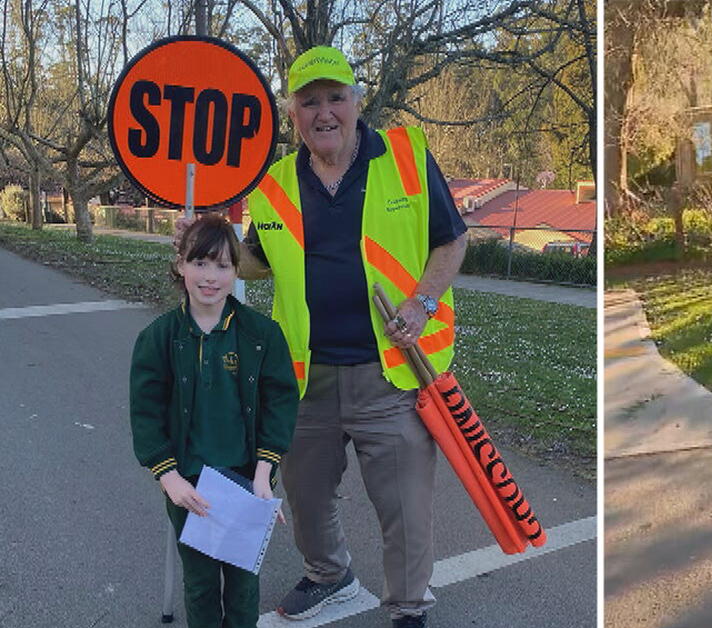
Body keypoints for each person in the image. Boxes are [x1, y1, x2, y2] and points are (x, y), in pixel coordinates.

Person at [232, 46, 467, 628]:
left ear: (358, 102)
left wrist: (422, 301)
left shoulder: (406, 156)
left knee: (405, 507)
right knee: (307, 497)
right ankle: (329, 576)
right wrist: (201, 244)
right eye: (309, 101)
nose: (324, 112)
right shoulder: (273, 185)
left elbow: (452, 239)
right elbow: (251, 262)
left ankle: (409, 607)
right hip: (305, 375)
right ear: (293, 116)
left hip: (391, 370)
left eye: (335, 97)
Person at [130, 213, 298, 628]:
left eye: (222, 265)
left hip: (245, 482)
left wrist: (264, 474)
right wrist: (169, 478)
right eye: (200, 263)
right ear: (181, 265)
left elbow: (280, 402)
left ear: (236, 271)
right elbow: (146, 413)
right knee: (201, 584)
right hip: (189, 485)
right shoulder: (158, 338)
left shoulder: (262, 334)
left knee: (242, 585)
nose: (210, 277)